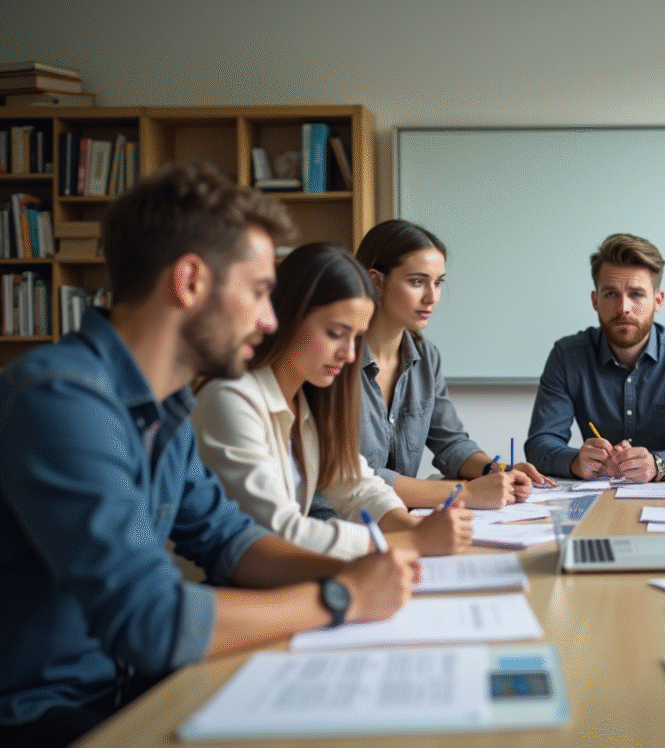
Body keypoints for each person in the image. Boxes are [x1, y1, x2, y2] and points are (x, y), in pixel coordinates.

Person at [0, 163, 419, 748]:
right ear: (190, 282)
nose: (271, 319)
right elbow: (150, 620)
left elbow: (231, 542)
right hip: (44, 714)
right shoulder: (59, 400)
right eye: (259, 291)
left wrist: (356, 569)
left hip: (132, 688)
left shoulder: (165, 409)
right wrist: (341, 596)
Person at [193, 241, 474, 560]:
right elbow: (278, 533)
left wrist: (412, 528)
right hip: (218, 598)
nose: (350, 354)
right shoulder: (231, 398)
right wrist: (411, 542)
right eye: (335, 332)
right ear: (288, 316)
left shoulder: (311, 397)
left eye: (356, 337)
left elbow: (356, 486)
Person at [353, 219, 547, 510]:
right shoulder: (336, 360)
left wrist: (496, 472)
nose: (432, 297)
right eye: (417, 282)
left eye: (438, 282)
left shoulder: (425, 357)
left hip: (396, 519)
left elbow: (451, 443)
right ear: (376, 281)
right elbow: (357, 476)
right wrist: (462, 493)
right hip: (342, 524)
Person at [525, 232, 665, 483]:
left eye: (636, 294)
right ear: (595, 301)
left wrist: (659, 464)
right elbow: (539, 443)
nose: (623, 307)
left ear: (658, 300)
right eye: (611, 294)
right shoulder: (567, 356)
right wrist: (576, 461)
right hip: (596, 500)